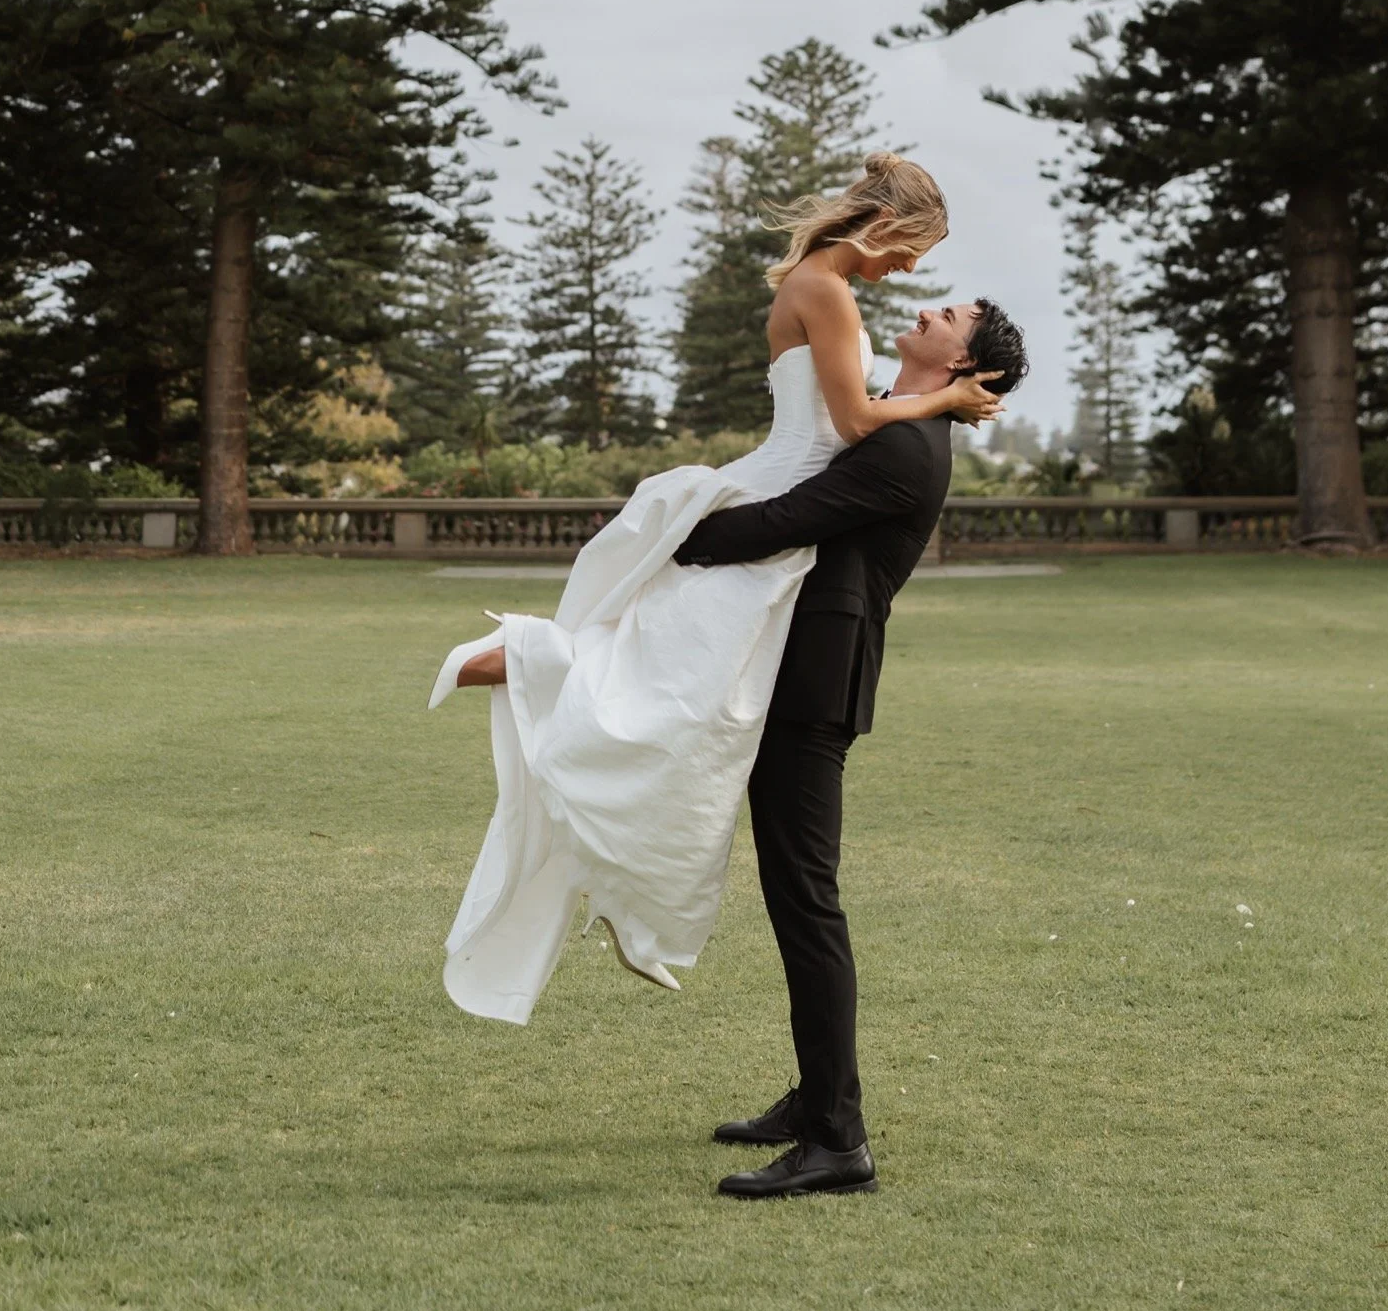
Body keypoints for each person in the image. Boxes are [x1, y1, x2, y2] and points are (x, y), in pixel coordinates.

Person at [428, 153, 1003, 1034]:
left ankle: (630, 887)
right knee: (673, 689)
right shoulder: (832, 291)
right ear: (885, 225)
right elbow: (851, 425)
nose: (914, 274)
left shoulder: (818, 286)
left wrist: (940, 399)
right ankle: (531, 664)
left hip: (780, 501)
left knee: (687, 696)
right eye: (915, 250)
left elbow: (855, 421)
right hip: (779, 503)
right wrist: (947, 400)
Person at [679, 288, 1029, 1199]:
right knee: (797, 896)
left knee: (807, 901)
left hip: (815, 685)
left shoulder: (910, 451)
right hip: (799, 674)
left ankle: (838, 1137)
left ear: (961, 362)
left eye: (951, 315)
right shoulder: (897, 425)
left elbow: (783, 520)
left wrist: (671, 534)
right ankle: (815, 1103)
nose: (929, 308)